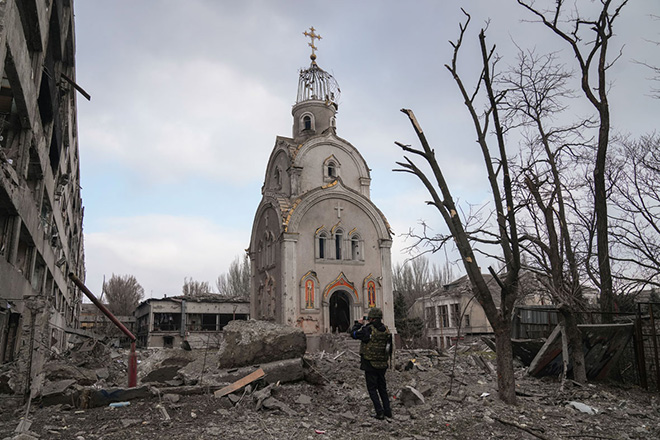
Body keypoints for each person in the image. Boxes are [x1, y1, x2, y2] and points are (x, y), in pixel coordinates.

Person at [350, 307, 393, 420]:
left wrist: (358, 324)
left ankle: (379, 412)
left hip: (370, 363)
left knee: (372, 389)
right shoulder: (386, 330)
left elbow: (353, 334)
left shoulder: (368, 330)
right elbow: (390, 348)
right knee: (382, 388)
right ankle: (387, 411)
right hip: (382, 363)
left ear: (371, 318)